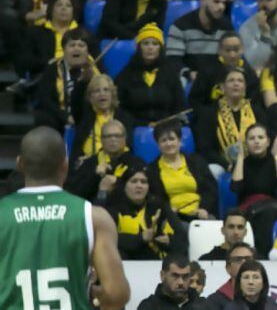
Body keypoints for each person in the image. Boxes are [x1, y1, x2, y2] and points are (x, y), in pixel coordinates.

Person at [0, 127, 130, 309]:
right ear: (65, 164)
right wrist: (93, 292)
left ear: (19, 164)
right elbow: (117, 295)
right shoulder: (94, 216)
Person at [194, 67, 268, 173]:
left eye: (240, 81)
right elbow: (205, 149)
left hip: (254, 162)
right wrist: (227, 165)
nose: (236, 84)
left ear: (245, 87)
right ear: (222, 87)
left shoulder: (257, 111)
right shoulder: (209, 113)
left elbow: (265, 139)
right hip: (223, 164)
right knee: (213, 170)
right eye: (231, 80)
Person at [231, 123, 277, 256]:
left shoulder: (275, 161)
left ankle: (262, 257)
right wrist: (239, 157)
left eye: (260, 137)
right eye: (251, 138)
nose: (256, 141)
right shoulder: (242, 163)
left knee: (268, 214)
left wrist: (276, 155)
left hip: (271, 207)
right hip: (248, 208)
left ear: (268, 142)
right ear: (246, 143)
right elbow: (235, 188)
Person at [107, 167, 186, 260]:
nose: (139, 185)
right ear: (124, 185)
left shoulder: (159, 207)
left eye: (143, 182)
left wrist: (169, 241)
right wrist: (141, 238)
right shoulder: (112, 209)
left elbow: (182, 237)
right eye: (133, 181)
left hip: (158, 261)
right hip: (126, 261)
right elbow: (107, 239)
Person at [147, 120, 218, 222]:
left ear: (179, 141)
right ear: (158, 144)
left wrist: (204, 208)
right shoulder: (152, 170)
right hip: (172, 217)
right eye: (163, 140)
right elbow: (154, 198)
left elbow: (210, 189)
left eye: (172, 139)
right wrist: (167, 211)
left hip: (200, 214)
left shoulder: (197, 161)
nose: (168, 143)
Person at [116, 23, 186, 126]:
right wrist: (142, 124)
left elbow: (179, 104)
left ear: (161, 48)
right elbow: (119, 109)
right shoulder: (126, 74)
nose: (150, 47)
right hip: (135, 128)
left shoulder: (170, 72)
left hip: (166, 127)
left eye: (155, 43)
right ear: (139, 47)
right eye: (146, 43)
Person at [166, 0, 235, 82]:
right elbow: (173, 60)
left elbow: (233, 57)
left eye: (224, 3)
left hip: (218, 79)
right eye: (216, 2)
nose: (221, 7)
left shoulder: (227, 27)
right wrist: (188, 73)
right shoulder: (180, 26)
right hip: (189, 79)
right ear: (203, 1)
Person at [65, 120, 146, 203]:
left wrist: (117, 183)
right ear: (102, 140)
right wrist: (95, 176)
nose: (113, 139)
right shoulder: (89, 163)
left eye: (117, 136)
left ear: (125, 138)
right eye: (108, 136)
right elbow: (74, 194)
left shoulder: (137, 164)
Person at [34, 28, 97, 132]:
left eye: (81, 45)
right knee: (43, 118)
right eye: (72, 45)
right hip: (58, 116)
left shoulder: (95, 69)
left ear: (87, 51)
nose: (76, 48)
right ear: (64, 50)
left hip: (85, 115)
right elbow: (44, 98)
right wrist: (65, 116)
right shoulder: (52, 68)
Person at [70, 74, 135, 166]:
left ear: (112, 95)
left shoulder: (124, 118)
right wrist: (83, 81)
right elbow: (75, 101)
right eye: (97, 91)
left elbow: (127, 147)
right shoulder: (84, 116)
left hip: (115, 163)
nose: (102, 94)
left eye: (106, 90)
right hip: (85, 165)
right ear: (90, 97)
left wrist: (96, 159)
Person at [188, 32, 261, 111]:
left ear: (242, 50)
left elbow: (255, 102)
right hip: (213, 116)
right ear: (219, 51)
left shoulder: (249, 72)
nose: (232, 54)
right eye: (227, 50)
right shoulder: (207, 71)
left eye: (236, 50)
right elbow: (195, 102)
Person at [19, 0, 80, 76]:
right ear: (51, 9)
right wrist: (50, 64)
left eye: (68, 6)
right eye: (59, 5)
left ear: (73, 11)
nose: (64, 8)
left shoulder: (83, 34)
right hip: (45, 76)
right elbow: (26, 61)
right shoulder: (35, 33)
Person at [138, 253, 211, 309]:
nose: (181, 282)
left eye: (185, 276)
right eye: (175, 276)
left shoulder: (204, 306)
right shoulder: (148, 307)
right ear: (162, 275)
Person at [207, 243, 258, 310]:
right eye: (238, 259)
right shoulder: (214, 302)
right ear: (228, 268)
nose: (244, 263)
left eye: (248, 259)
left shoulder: (267, 302)